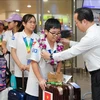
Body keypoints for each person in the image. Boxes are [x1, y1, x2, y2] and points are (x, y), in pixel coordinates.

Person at [41, 7, 100, 100]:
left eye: (76, 22)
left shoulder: (91, 36)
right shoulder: (96, 30)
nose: (76, 25)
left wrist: (51, 56)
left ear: (84, 21)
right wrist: (69, 42)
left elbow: (73, 52)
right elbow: (83, 46)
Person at [25, 18, 64, 100]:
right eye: (53, 33)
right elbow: (34, 62)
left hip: (50, 83)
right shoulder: (38, 43)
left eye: (58, 33)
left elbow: (60, 61)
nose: (56, 36)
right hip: (36, 84)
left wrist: (57, 75)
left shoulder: (59, 45)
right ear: (46, 31)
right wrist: (40, 79)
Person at [10, 14, 39, 90]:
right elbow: (13, 52)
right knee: (21, 93)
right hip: (20, 71)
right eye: (30, 22)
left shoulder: (37, 37)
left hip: (33, 71)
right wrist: (20, 65)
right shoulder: (17, 35)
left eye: (34, 22)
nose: (33, 24)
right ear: (24, 23)